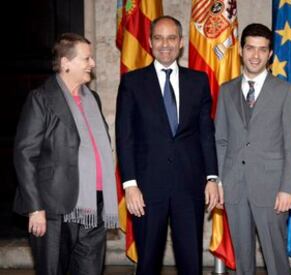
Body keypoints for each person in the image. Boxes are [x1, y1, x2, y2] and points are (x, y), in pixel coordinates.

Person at [115, 15, 219, 275]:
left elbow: (206, 133)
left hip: (190, 187)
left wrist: (212, 177)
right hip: (147, 190)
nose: (165, 44)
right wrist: (130, 186)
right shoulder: (132, 82)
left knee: (191, 263)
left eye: (171, 38)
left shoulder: (198, 81)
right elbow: (124, 137)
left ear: (181, 43)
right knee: (148, 264)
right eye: (159, 38)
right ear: (150, 42)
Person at [13, 33, 118, 275]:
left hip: (95, 206)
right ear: (65, 63)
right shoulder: (41, 99)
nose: (92, 63)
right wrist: (35, 207)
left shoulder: (94, 99)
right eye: (87, 58)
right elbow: (24, 155)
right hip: (55, 208)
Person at [215, 23, 291, 275]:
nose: (255, 55)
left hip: (272, 189)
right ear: (240, 51)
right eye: (250, 48)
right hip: (234, 188)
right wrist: (220, 182)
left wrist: (288, 189)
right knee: (242, 261)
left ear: (270, 54)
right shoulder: (226, 90)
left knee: (276, 260)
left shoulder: (286, 91)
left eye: (262, 50)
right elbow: (221, 140)